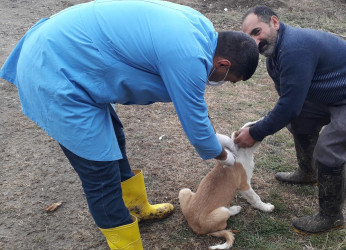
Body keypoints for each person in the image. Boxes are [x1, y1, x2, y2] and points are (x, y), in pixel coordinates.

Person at [0, 0, 259, 249]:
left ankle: (137, 207)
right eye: (229, 79)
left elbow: (196, 112)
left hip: (71, 53)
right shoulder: (190, 57)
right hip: (54, 69)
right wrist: (223, 154)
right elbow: (198, 129)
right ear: (223, 64)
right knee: (99, 173)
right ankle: (126, 246)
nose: (223, 83)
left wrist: (215, 136)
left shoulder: (201, 32)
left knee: (114, 137)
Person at [237, 5, 346, 234]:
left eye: (257, 31)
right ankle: (308, 172)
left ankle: (332, 216)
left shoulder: (295, 47)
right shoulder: (274, 59)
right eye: (249, 36)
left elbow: (288, 105)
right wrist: (273, 121)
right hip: (334, 92)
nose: (255, 41)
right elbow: (290, 104)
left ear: (275, 22)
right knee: (299, 120)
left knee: (329, 147)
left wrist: (256, 132)